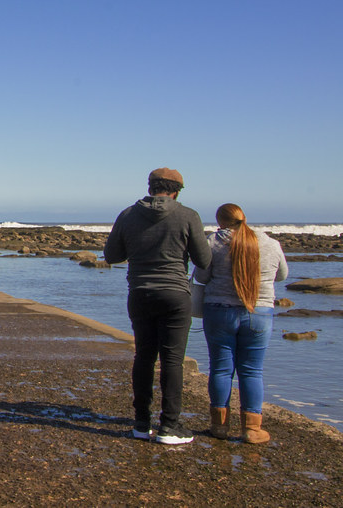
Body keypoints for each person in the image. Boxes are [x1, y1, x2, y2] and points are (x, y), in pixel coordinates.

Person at [104, 167, 211, 445]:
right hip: (175, 294)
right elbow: (203, 260)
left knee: (144, 357)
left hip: (140, 292)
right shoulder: (188, 215)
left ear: (150, 187)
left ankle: (141, 423)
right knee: (172, 360)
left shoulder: (127, 215)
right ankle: (169, 426)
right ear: (176, 191)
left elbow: (112, 255)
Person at [193, 203, 287, 444]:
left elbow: (201, 277)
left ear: (220, 221)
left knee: (221, 368)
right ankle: (252, 429)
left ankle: (219, 425)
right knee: (252, 370)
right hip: (259, 311)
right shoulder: (270, 243)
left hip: (219, 311)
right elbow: (282, 275)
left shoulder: (213, 242)